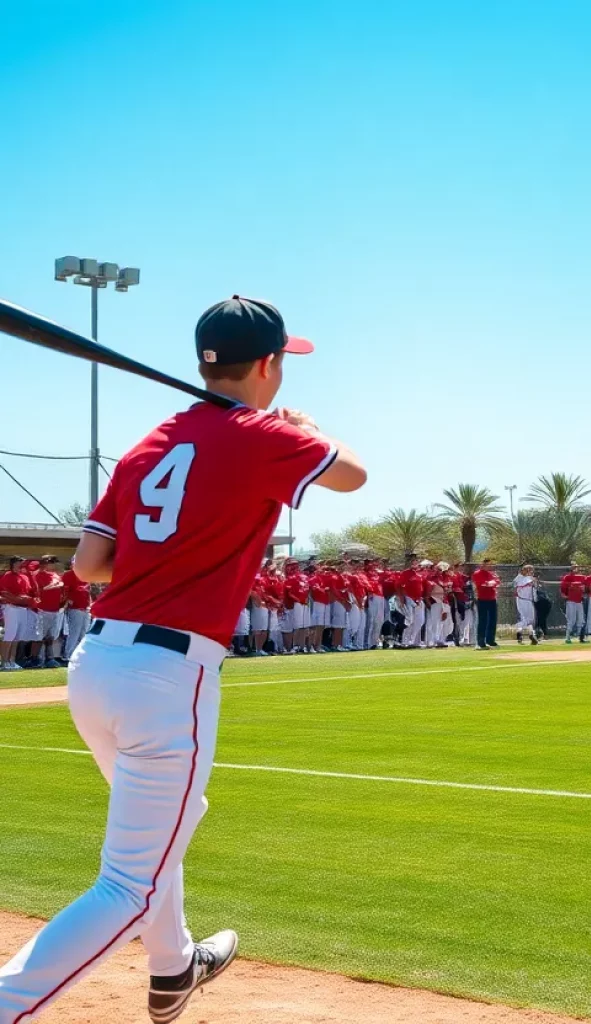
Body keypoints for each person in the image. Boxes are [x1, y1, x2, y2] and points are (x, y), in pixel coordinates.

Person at [0, 294, 366, 1024]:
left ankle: (172, 968)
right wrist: (307, 429)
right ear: (266, 365)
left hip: (96, 667)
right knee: (128, 883)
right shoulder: (266, 434)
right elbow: (353, 474)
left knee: (171, 821)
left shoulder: (149, 443)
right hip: (168, 677)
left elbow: (89, 564)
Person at [0, 556, 33, 671]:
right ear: (14, 563)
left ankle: (12, 661)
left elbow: (28, 591)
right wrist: (17, 599)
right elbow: (4, 592)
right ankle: (4, 662)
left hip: (23, 609)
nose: (22, 564)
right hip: (11, 608)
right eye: (20, 562)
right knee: (10, 635)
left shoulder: (24, 576)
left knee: (18, 636)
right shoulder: (8, 575)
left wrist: (25, 599)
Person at [33, 557, 66, 668]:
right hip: (43, 609)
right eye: (49, 562)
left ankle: (49, 658)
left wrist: (56, 585)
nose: (51, 565)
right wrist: (55, 585)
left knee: (51, 636)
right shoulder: (39, 575)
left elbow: (61, 587)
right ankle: (38, 659)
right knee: (40, 636)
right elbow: (42, 589)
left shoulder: (55, 575)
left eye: (52, 563)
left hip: (54, 609)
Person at [61, 559, 93, 660]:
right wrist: (68, 602)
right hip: (75, 608)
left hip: (86, 608)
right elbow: (64, 591)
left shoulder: (85, 575)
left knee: (84, 633)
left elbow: (88, 591)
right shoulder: (68, 575)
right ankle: (68, 655)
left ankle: (81, 656)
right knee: (74, 632)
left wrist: (90, 604)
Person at [472, 558, 501, 649]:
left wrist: (491, 583)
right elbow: (481, 584)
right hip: (482, 599)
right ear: (482, 564)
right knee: (483, 621)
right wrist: (489, 583)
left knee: (493, 620)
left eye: (490, 565)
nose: (489, 566)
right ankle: (480, 641)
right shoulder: (477, 573)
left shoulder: (492, 574)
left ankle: (490, 640)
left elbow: (497, 581)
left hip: (492, 599)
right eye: (487, 564)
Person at [398, 553, 425, 648]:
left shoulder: (419, 574)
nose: (415, 563)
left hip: (419, 600)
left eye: (416, 561)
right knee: (409, 621)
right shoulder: (405, 573)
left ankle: (413, 640)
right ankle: (405, 641)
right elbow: (399, 586)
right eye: (413, 561)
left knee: (420, 621)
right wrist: (402, 599)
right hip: (409, 598)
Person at [560, 563, 588, 643]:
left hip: (579, 601)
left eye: (576, 567)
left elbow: (585, 588)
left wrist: (584, 591)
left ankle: (581, 638)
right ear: (571, 569)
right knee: (571, 620)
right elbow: (562, 589)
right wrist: (564, 596)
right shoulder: (567, 577)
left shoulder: (582, 577)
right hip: (571, 601)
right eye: (574, 568)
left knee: (581, 620)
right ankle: (567, 638)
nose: (575, 569)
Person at [512, 563, 539, 644]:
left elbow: (534, 588)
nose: (530, 571)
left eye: (531, 570)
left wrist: (535, 598)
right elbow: (517, 584)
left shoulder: (529, 578)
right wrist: (531, 578)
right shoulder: (519, 578)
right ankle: (518, 628)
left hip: (529, 600)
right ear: (523, 570)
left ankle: (530, 635)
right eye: (529, 570)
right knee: (525, 619)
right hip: (522, 600)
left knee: (531, 619)